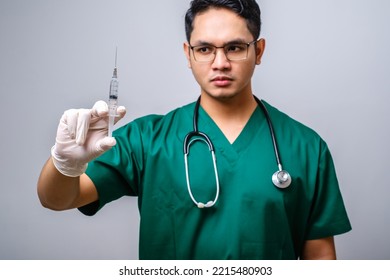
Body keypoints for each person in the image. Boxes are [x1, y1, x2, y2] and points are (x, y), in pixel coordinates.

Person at [37, 0, 351, 260]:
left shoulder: (306, 148)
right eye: (204, 50)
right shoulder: (148, 140)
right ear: (188, 54)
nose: (220, 63)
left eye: (235, 48)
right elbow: (57, 199)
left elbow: (321, 260)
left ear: (260, 51)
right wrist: (65, 163)